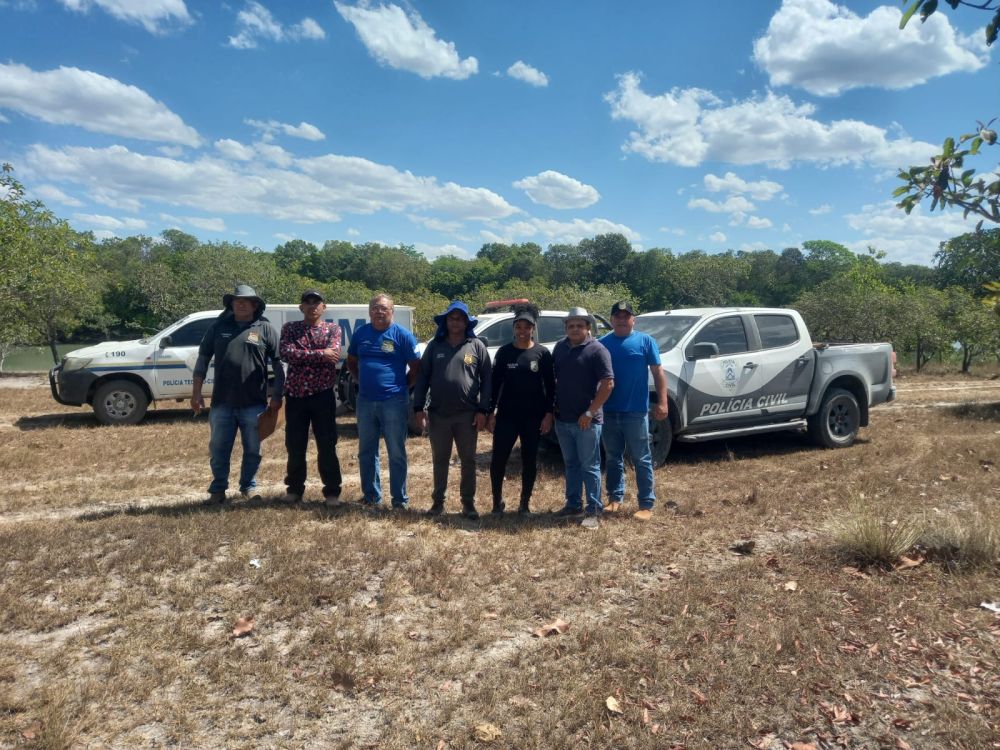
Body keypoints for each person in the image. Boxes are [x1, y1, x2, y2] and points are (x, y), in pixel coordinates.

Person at [191, 284, 284, 505]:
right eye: (237, 300)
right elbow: (202, 359)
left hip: (254, 403)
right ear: (231, 304)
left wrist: (278, 394)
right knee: (219, 448)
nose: (240, 303)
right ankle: (218, 489)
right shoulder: (218, 327)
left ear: (255, 305)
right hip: (222, 402)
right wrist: (196, 393)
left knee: (253, 449)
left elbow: (279, 364)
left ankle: (248, 486)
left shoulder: (265, 329)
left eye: (246, 300)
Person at [413, 301, 492, 520]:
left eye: (459, 318)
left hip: (468, 415)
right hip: (438, 414)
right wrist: (419, 408)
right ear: (445, 321)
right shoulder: (434, 346)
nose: (455, 321)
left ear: (466, 322)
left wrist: (483, 410)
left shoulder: (476, 345)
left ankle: (468, 504)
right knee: (440, 460)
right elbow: (422, 379)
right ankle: (438, 503)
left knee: (468, 460)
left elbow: (487, 381)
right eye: (451, 318)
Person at [346, 294, 420, 509]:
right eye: (375, 308)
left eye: (384, 308)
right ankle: (371, 497)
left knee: (396, 451)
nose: (379, 312)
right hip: (366, 401)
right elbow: (352, 361)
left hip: (394, 401)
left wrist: (402, 387)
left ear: (392, 311)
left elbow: (416, 367)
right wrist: (362, 380)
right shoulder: (361, 334)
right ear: (370, 311)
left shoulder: (403, 335)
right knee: (366, 451)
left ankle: (399, 501)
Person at [599, 301, 668, 521]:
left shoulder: (646, 341)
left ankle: (646, 504)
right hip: (608, 412)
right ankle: (615, 499)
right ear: (611, 320)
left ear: (633, 319)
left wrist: (663, 402)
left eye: (625, 316)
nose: (621, 319)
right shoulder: (602, 344)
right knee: (612, 458)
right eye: (617, 316)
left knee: (641, 458)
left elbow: (658, 373)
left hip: (636, 413)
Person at [486, 306, 554, 515]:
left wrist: (548, 415)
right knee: (499, 459)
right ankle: (497, 503)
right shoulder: (505, 352)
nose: (522, 330)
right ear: (514, 328)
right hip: (507, 415)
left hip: (533, 416)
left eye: (527, 327)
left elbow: (550, 387)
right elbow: (494, 384)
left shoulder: (542, 353)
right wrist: (490, 412)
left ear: (533, 329)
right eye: (519, 326)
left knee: (529, 459)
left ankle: (524, 504)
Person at [279, 290, 343, 507]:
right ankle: (295, 489)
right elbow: (286, 353)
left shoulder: (333, 329)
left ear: (324, 307)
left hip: (322, 394)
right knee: (295, 444)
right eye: (307, 302)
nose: (312, 306)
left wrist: (305, 354)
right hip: (296, 395)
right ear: (301, 307)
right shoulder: (290, 328)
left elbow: (333, 354)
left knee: (327, 444)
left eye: (317, 302)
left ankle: (332, 492)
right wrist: (319, 354)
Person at [552, 307, 614, 527]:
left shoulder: (598, 350)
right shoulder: (560, 348)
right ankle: (573, 504)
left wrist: (590, 412)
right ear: (566, 328)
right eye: (571, 325)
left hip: (587, 420)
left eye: (580, 325)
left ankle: (594, 509)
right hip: (563, 419)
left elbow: (608, 384)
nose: (575, 329)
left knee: (590, 466)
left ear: (588, 327)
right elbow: (555, 381)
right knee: (571, 464)